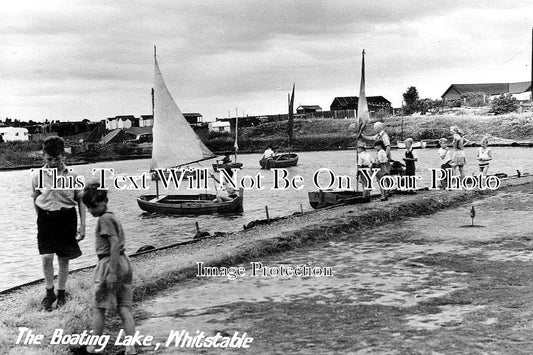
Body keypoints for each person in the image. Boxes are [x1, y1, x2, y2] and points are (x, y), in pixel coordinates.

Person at [31, 136, 85, 311]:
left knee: (63, 258)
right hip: (46, 219)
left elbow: (81, 201)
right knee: (46, 258)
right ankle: (49, 292)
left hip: (67, 218)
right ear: (43, 157)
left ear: (64, 156)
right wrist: (41, 217)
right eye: (49, 159)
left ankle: (61, 293)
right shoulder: (37, 176)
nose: (53, 162)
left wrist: (82, 225)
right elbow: (35, 198)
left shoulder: (74, 176)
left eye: (57, 159)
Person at [81, 183, 136, 355]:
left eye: (94, 206)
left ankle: (93, 347)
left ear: (105, 202)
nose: (90, 210)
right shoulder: (112, 217)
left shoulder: (104, 219)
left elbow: (114, 245)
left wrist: (112, 272)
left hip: (110, 263)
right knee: (124, 308)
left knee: (99, 307)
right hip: (124, 261)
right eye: (88, 206)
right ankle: (130, 348)